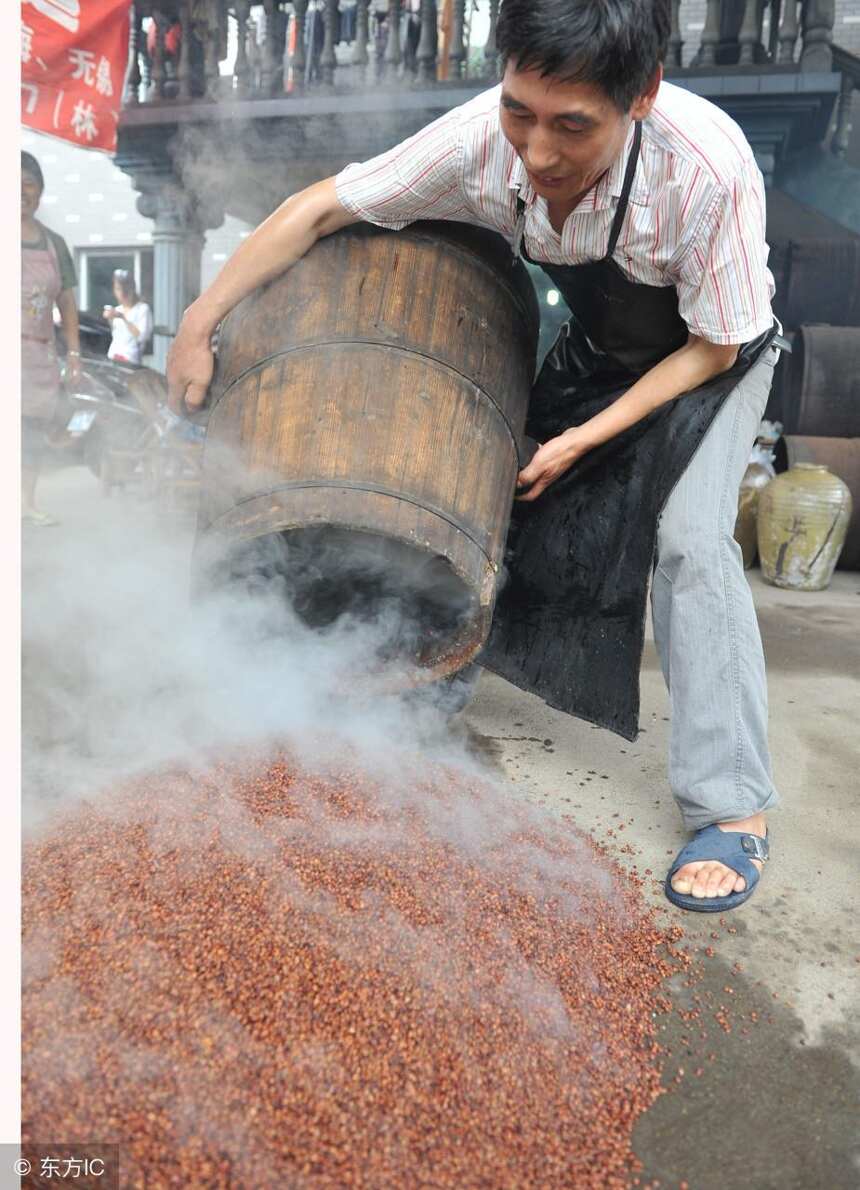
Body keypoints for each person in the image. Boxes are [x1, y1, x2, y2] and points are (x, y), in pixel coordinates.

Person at [167, 0, 780, 913]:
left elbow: (716, 348)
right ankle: (393, 679)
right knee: (501, 503)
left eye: (573, 126)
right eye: (518, 113)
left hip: (708, 363)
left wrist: (580, 437)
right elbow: (319, 210)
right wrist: (198, 321)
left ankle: (733, 805)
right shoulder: (474, 141)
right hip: (599, 351)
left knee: (689, 544)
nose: (535, 153)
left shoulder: (709, 169)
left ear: (641, 96)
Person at [21, 150, 81, 527]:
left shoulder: (54, 243)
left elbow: (68, 304)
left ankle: (24, 504)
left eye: (29, 184)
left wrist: (74, 354)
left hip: (38, 354)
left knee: (30, 433)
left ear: (40, 192)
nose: (21, 192)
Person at [104, 270, 153, 366]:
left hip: (130, 360)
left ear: (132, 289)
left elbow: (141, 337)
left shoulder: (143, 309)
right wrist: (109, 319)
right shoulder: (117, 309)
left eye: (125, 288)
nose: (122, 293)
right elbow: (116, 335)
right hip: (112, 357)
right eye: (118, 289)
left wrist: (123, 318)